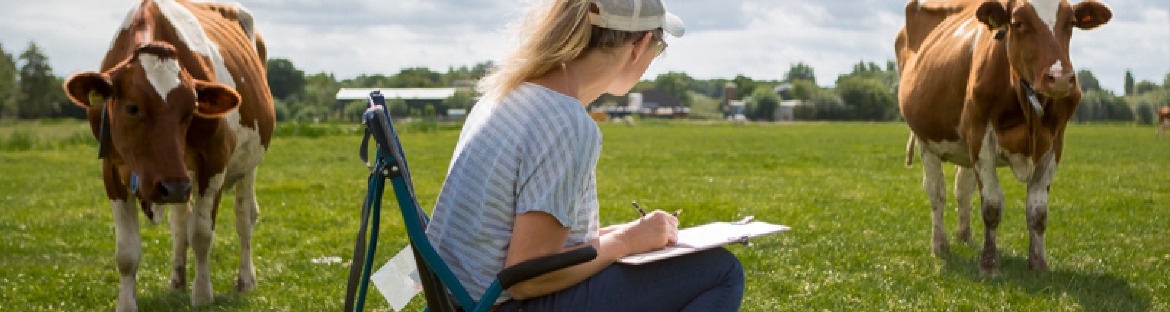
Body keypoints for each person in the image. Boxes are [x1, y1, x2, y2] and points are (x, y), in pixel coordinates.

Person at [425, 0, 745, 310]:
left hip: (457, 297)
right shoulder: (564, 122)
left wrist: (630, 234)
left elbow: (522, 241)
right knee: (721, 272)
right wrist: (626, 243)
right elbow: (528, 277)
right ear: (639, 44)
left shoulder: (508, 94)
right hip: (497, 304)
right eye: (658, 48)